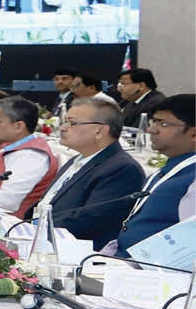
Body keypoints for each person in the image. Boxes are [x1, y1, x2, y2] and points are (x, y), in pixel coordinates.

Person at [31, 98, 144, 247]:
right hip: (41, 237)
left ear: (99, 131)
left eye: (72, 123)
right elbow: (47, 202)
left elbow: (90, 220)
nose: (63, 128)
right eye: (65, 121)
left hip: (71, 249)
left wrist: (34, 229)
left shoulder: (123, 168)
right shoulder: (78, 159)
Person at [108, 94, 196, 257]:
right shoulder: (167, 170)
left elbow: (191, 248)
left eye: (163, 124)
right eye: (153, 122)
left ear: (193, 134)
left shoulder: (192, 180)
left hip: (151, 269)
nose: (151, 130)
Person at [0, 97, 58, 216]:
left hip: (2, 220)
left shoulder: (31, 156)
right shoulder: (8, 145)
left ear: (18, 126)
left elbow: (7, 201)